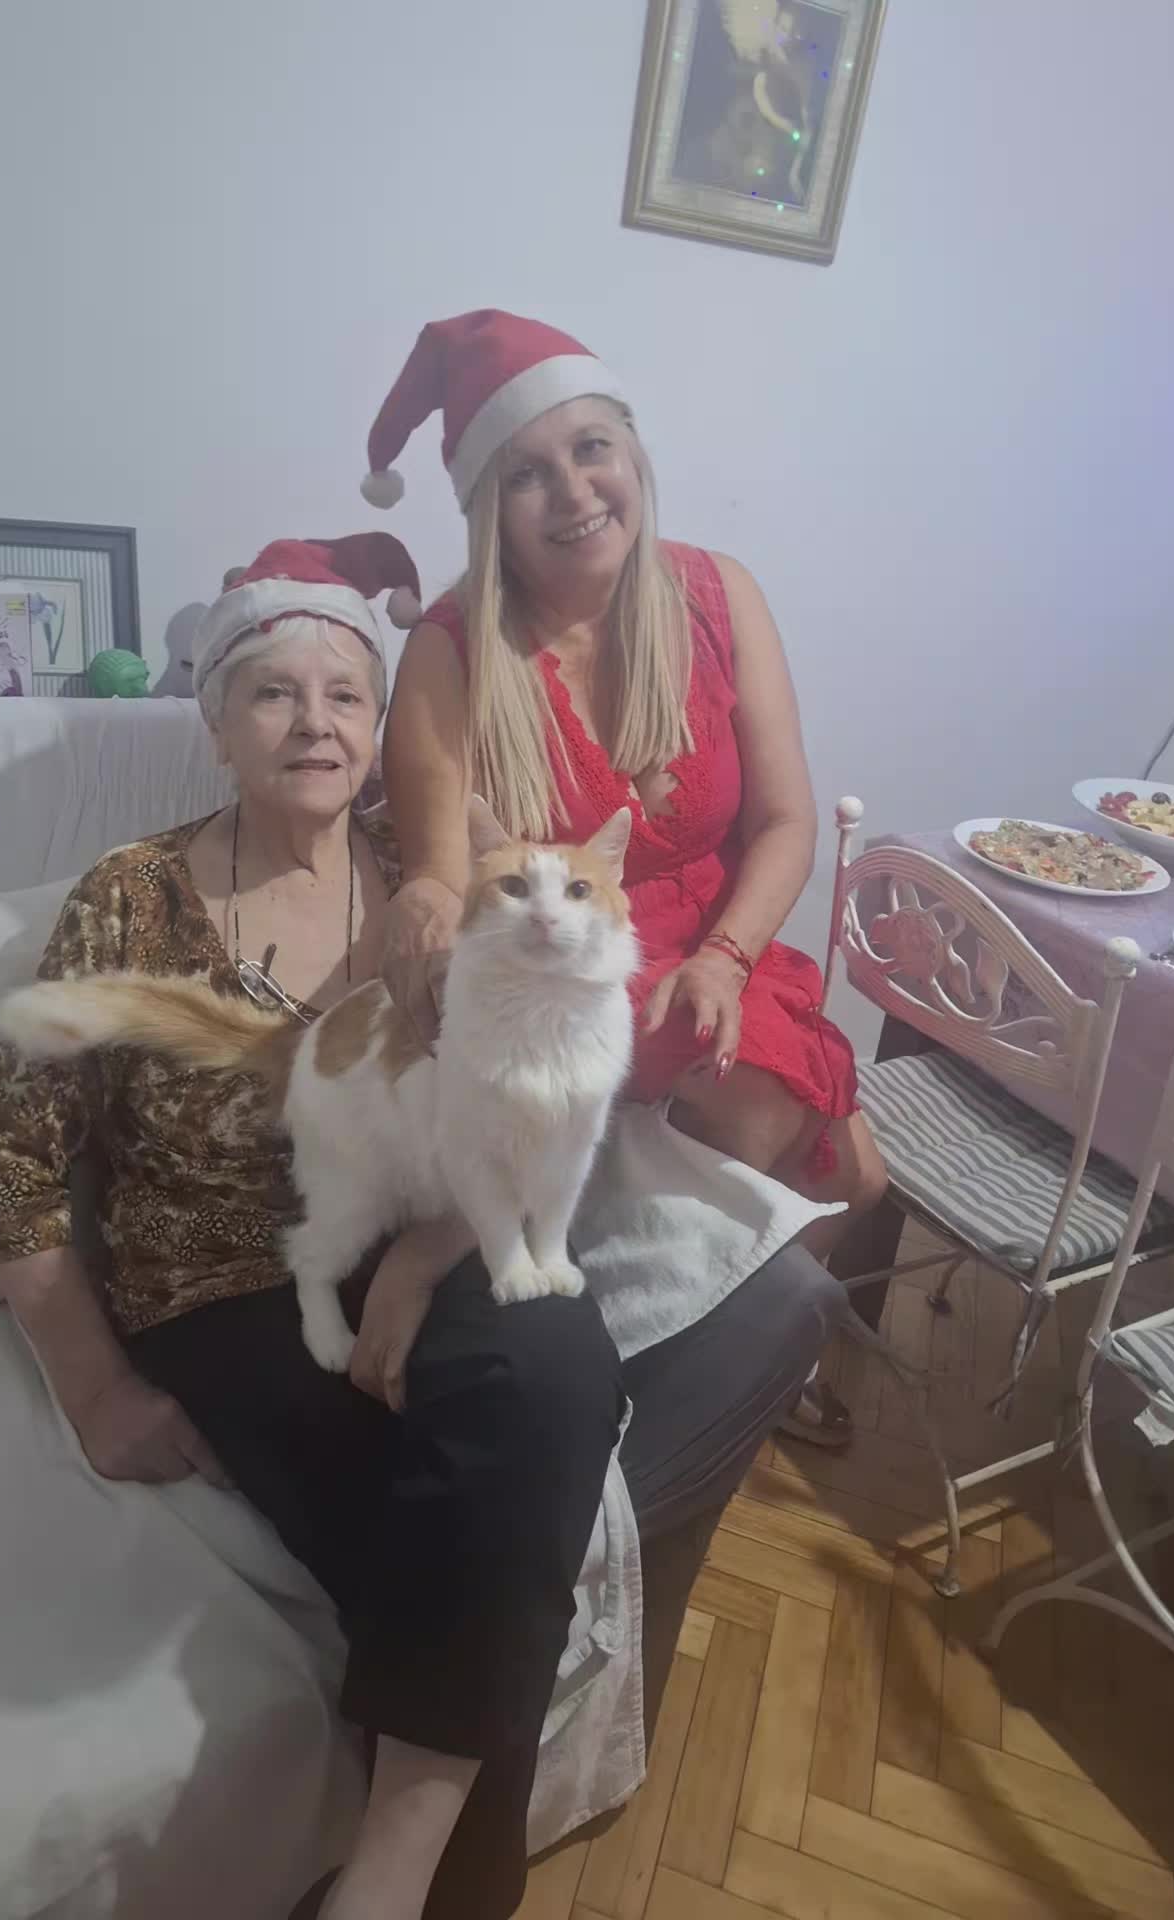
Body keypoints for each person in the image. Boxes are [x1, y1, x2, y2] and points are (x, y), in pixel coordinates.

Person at [0, 535, 625, 1920]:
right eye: (272, 692)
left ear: (379, 733)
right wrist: (92, 1385)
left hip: (422, 1230)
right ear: (215, 724)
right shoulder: (132, 896)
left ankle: (377, 1890)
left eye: (345, 696)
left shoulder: (436, 893)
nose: (314, 722)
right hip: (225, 1281)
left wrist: (426, 1262)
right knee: (455, 1553)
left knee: (559, 1367)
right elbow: (2, 1143)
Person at [368, 308, 889, 1446]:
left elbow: (788, 820)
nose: (574, 492)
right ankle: (654, 1373)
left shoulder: (718, 593)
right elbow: (444, 879)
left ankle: (731, 1346)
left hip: (722, 940)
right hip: (568, 975)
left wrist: (728, 957)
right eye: (526, 474)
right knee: (759, 1112)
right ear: (486, 509)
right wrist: (420, 906)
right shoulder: (450, 650)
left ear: (634, 453)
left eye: (592, 448)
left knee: (860, 1178)